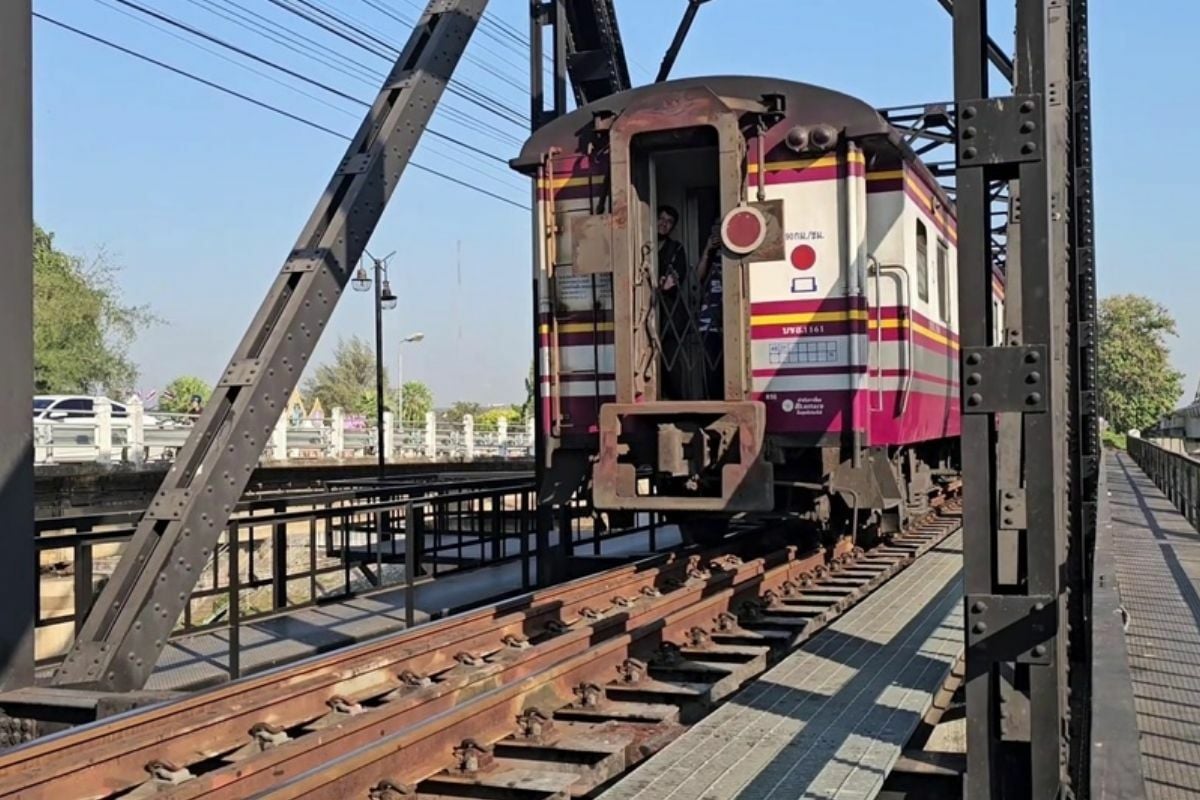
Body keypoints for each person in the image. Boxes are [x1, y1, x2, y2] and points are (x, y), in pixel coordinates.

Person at [655, 205, 690, 399]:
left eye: (669, 221)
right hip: (645, 311)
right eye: (661, 219)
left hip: (669, 313)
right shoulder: (643, 245)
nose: (664, 224)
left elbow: (679, 274)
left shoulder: (676, 248)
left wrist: (669, 281)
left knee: (671, 357)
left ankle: (676, 399)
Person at [695, 221, 725, 398]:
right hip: (709, 319)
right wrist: (707, 250)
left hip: (730, 317)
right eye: (714, 231)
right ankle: (713, 400)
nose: (717, 235)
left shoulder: (737, 252)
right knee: (711, 364)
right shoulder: (711, 255)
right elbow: (697, 278)